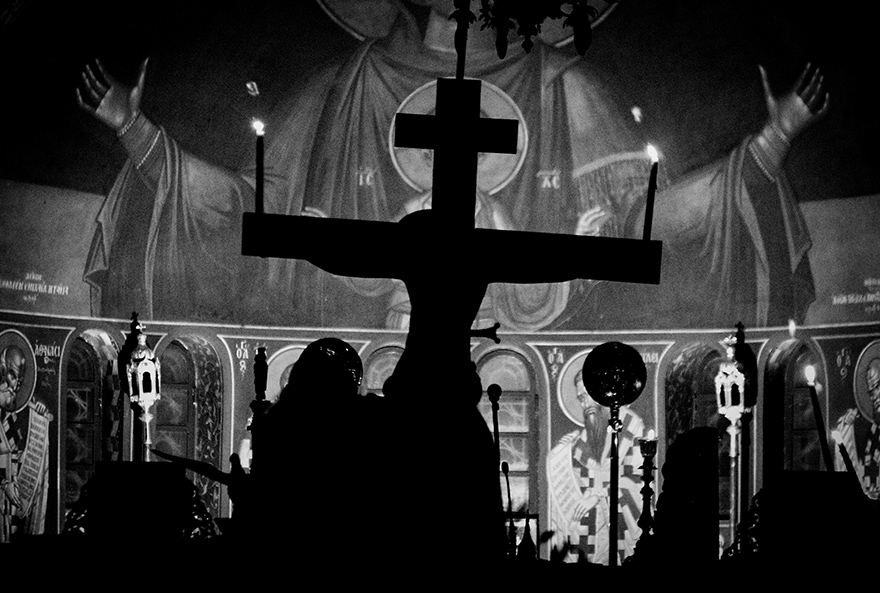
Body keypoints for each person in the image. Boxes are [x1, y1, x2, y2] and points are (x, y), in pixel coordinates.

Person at [75, 1, 827, 332]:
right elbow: (249, 218)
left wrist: (772, 142)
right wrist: (135, 132)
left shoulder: (563, 87)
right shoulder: (345, 86)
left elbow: (642, 230)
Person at [546, 369, 646, 565]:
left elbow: (637, 480)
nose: (585, 404)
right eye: (580, 399)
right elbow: (575, 482)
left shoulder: (631, 425)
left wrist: (598, 496)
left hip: (623, 525)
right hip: (593, 532)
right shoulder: (581, 441)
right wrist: (562, 454)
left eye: (587, 395)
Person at [0, 345, 50, 542]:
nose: (15, 386)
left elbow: (17, 450)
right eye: (12, 376)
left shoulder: (17, 413)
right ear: (2, 370)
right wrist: (4, 484)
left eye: (19, 380)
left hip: (15, 498)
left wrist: (40, 418)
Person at [833, 356, 880, 499]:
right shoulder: (872, 431)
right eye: (871, 392)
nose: (874, 396)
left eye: (878, 387)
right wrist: (846, 426)